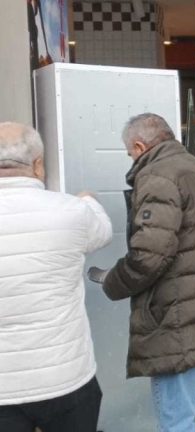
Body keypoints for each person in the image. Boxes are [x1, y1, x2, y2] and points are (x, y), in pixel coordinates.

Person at [101, 113, 195, 432]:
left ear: (140, 145)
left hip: (181, 324)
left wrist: (112, 282)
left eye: (131, 153)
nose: (132, 159)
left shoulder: (158, 176)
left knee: (177, 421)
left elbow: (148, 257)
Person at [0, 122, 112, 431]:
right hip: (66, 380)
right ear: (37, 165)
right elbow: (103, 232)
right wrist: (88, 200)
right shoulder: (72, 212)